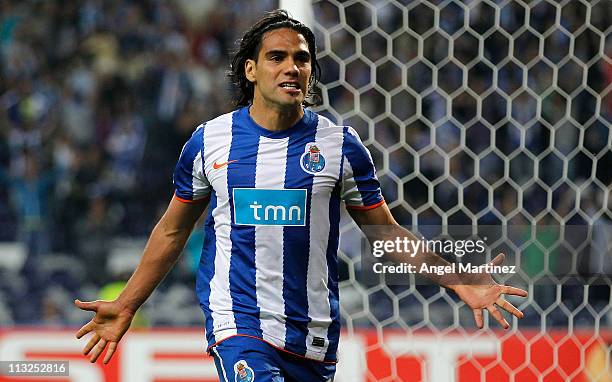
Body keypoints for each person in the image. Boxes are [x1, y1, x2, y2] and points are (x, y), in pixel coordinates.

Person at [75, 10, 528, 381]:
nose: (292, 67)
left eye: (302, 58)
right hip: (239, 323)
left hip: (314, 335)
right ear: (250, 70)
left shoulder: (339, 146)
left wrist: (459, 280)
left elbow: (386, 234)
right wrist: (127, 303)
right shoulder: (210, 142)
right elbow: (172, 230)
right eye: (277, 57)